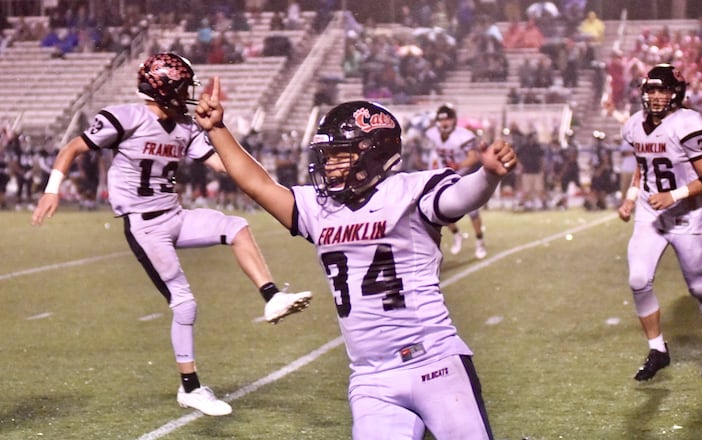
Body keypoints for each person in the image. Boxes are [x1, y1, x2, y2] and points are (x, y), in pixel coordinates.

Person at [195, 89, 517, 439]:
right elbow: (258, 186)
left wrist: (488, 176)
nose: (328, 164)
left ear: (374, 152)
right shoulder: (319, 208)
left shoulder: (408, 192)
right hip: (370, 378)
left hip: (434, 362)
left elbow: (459, 197)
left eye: (339, 155)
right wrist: (217, 130)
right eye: (327, 155)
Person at [30, 53, 312, 416]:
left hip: (174, 215)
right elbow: (73, 147)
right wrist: (53, 188)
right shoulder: (126, 117)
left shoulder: (184, 126)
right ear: (164, 89)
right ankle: (190, 388)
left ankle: (271, 296)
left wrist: (227, 141)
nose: (188, 93)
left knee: (236, 227)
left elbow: (221, 163)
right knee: (184, 303)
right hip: (145, 224)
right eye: (182, 86)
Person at [617, 64, 702, 381]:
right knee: (639, 279)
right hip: (650, 211)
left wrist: (675, 195)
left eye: (663, 90)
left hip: (686, 213)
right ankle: (658, 350)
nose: (656, 96)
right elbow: (644, 165)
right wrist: (630, 196)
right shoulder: (634, 125)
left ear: (676, 92)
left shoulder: (688, 122)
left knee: (697, 286)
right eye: (651, 90)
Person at [423, 104, 488, 259]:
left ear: (454, 120)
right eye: (441, 120)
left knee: (472, 211)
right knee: (442, 208)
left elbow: (474, 157)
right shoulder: (431, 134)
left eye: (448, 119)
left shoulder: (463, 135)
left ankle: (480, 241)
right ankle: (457, 234)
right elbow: (430, 152)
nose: (444, 123)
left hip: (463, 174)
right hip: (444, 176)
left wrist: (459, 165)